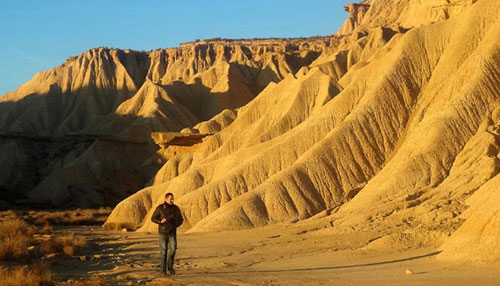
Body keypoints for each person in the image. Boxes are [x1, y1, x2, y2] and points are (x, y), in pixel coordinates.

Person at [151, 192, 183, 275]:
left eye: (173, 199)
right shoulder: (160, 208)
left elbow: (181, 219)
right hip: (163, 232)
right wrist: (160, 221)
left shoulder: (176, 208)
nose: (172, 200)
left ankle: (170, 266)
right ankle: (163, 270)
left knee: (173, 250)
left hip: (172, 232)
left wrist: (176, 225)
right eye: (170, 199)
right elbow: (153, 218)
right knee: (163, 252)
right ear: (166, 199)